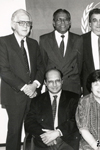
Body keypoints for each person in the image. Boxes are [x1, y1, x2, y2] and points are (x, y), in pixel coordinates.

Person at [0, 9, 44, 150]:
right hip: (14, 95)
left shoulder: (33, 43)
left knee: (32, 131)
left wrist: (35, 85)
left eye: (28, 23)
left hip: (33, 95)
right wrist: (26, 87)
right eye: (21, 23)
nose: (25, 26)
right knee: (15, 131)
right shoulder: (3, 42)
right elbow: (4, 71)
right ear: (13, 25)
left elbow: (40, 67)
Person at [25, 69, 80, 150]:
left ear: (62, 81)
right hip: (43, 142)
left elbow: (76, 120)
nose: (54, 85)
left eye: (57, 81)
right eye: (50, 81)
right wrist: (45, 136)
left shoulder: (74, 98)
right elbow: (29, 123)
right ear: (45, 83)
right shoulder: (37, 100)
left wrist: (58, 132)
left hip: (66, 141)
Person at [39, 9, 83, 95]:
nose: (62, 22)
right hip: (53, 87)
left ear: (69, 22)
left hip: (73, 87)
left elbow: (80, 64)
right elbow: (43, 65)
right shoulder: (44, 39)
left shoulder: (78, 39)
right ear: (53, 23)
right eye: (59, 19)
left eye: (66, 19)